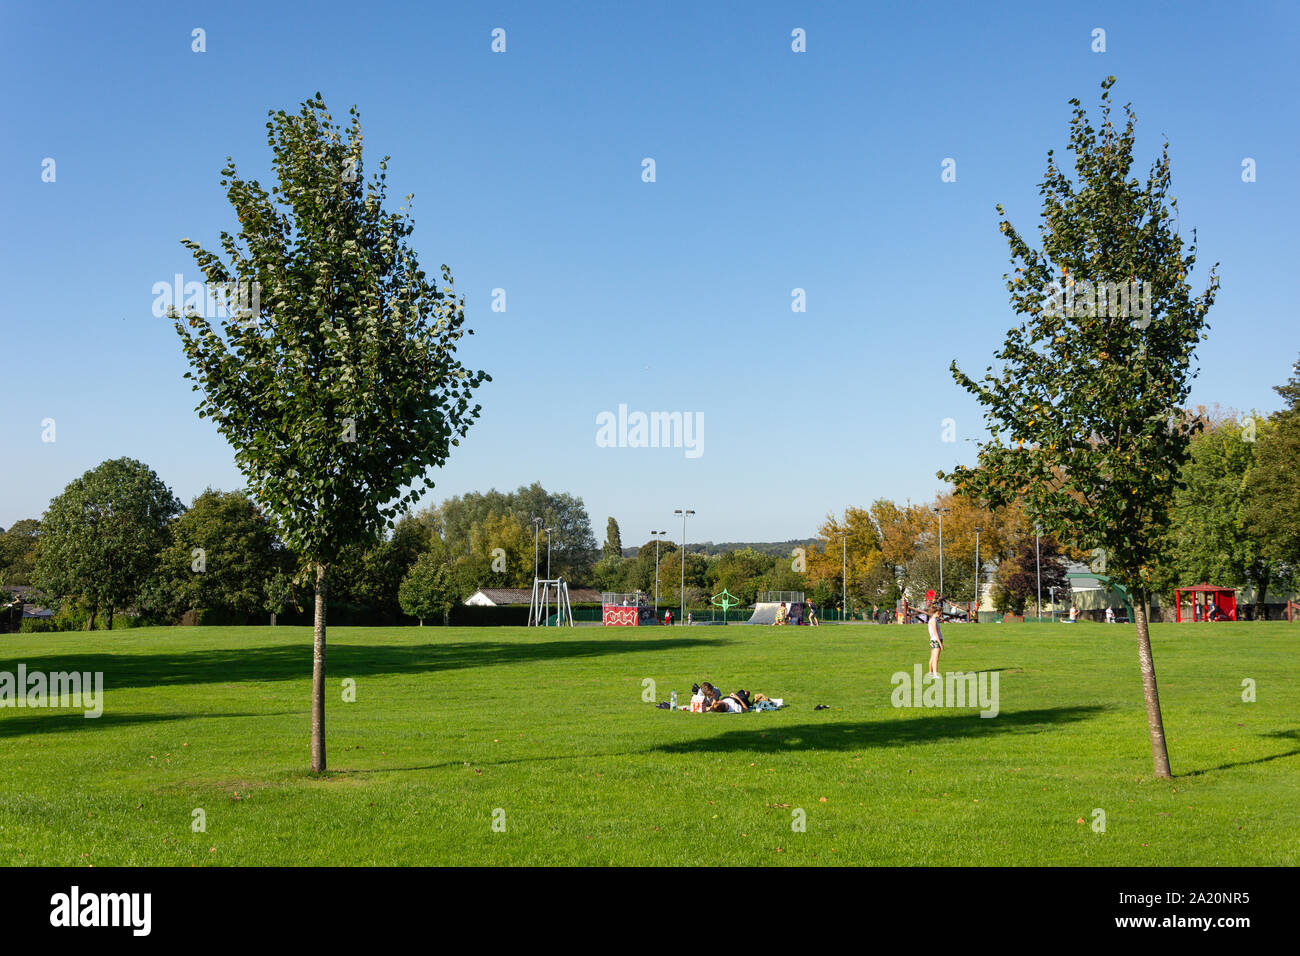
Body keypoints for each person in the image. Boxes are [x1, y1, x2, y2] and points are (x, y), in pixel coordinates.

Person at [926, 603, 944, 679]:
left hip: (933, 640)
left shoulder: (932, 620)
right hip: (936, 640)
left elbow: (930, 632)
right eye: (939, 612)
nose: (940, 613)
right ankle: (935, 674)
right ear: (935, 612)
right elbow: (935, 632)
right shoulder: (933, 620)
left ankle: (930, 673)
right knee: (935, 658)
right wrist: (940, 644)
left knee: (932, 657)